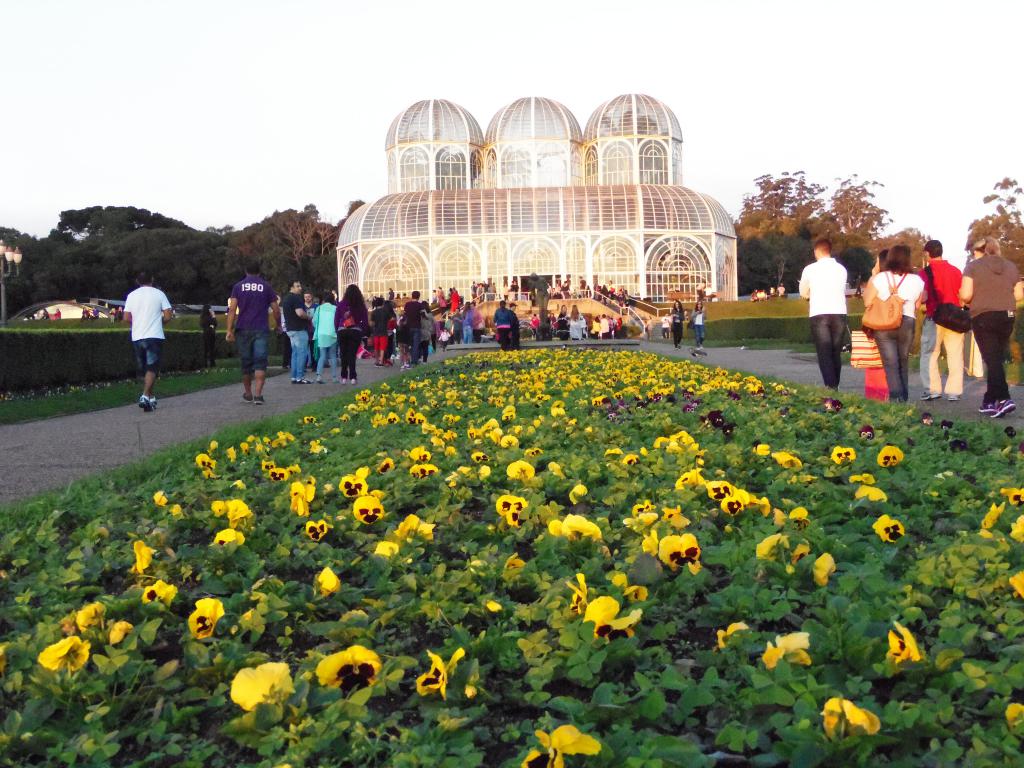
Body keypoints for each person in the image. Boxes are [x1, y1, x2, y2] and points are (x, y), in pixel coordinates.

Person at [961, 235, 1022, 417]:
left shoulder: (973, 267)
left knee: (992, 359)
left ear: (981, 251)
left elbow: (966, 294)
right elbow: (1019, 295)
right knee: (995, 358)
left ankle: (1004, 399)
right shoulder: (1011, 266)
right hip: (1007, 315)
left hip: (984, 315)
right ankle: (988, 400)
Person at [867, 244, 925, 403]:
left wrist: (874, 276)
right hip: (907, 321)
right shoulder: (917, 280)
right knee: (903, 361)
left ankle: (896, 398)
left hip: (884, 323)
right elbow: (917, 305)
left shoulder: (880, 278)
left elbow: (867, 301)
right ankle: (904, 399)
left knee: (890, 362)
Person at [226, 262, 280, 404]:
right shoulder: (266, 287)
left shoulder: (238, 287)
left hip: (242, 328)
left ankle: (248, 393)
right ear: (259, 272)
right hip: (261, 328)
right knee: (260, 362)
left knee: (246, 362)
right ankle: (258, 395)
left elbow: (232, 310)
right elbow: (276, 309)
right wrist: (279, 325)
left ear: (246, 271)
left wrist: (229, 330)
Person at [918, 240, 964, 402]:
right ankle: (954, 391)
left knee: (930, 354)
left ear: (927, 253)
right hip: (954, 317)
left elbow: (924, 297)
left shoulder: (924, 273)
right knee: (955, 354)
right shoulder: (955, 271)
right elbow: (963, 295)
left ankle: (933, 389)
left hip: (934, 317)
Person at [799, 237, 848, 389]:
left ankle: (831, 387)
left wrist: (809, 295)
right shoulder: (841, 269)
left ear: (816, 251)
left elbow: (803, 292)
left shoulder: (810, 269)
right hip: (839, 312)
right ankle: (835, 384)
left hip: (819, 311)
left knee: (824, 352)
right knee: (835, 352)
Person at [123, 272, 172, 412]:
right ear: (152, 279)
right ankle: (145, 395)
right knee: (152, 367)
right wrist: (159, 322)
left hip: (137, 335)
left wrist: (138, 322)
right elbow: (168, 315)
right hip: (154, 335)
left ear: (137, 281)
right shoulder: (159, 294)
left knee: (146, 369)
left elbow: (126, 317)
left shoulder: (131, 295)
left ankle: (151, 398)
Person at [336, 284, 368, 384]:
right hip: (355, 331)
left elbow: (336, 318)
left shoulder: (341, 304)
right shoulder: (360, 305)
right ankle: (353, 377)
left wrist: (337, 329)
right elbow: (365, 321)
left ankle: (343, 377)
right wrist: (362, 331)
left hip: (342, 331)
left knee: (343, 354)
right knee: (352, 354)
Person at [281, 280, 311, 384]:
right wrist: (308, 317)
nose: (300, 288)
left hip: (290, 329)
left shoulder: (286, 299)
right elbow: (300, 313)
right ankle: (300, 377)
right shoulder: (296, 298)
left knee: (294, 354)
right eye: (297, 286)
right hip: (299, 329)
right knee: (302, 354)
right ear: (292, 287)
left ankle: (293, 377)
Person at [311, 292, 339, 383]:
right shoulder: (335, 308)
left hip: (321, 334)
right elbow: (338, 321)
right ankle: (334, 377)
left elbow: (314, 321)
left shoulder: (319, 308)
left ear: (324, 299)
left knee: (322, 356)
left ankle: (319, 376)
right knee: (333, 355)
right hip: (332, 334)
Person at [369, 296, 393, 366]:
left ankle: (376, 361)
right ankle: (381, 361)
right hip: (384, 331)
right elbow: (391, 319)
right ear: (382, 303)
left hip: (376, 331)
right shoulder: (385, 311)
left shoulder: (373, 312)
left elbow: (371, 323)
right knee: (382, 347)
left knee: (376, 347)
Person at [404, 290, 426, 365]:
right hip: (417, 326)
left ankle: (408, 359)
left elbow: (405, 315)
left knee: (410, 344)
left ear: (412, 296)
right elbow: (423, 315)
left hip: (408, 327)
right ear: (418, 297)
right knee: (416, 345)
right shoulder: (420, 305)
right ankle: (414, 361)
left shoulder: (407, 304)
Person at [303, 291, 318, 370]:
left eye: (308, 296)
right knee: (304, 349)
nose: (307, 298)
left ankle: (314, 366)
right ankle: (303, 366)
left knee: (313, 349)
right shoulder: (301, 307)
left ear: (311, 297)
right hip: (304, 330)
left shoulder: (316, 306)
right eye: (305, 297)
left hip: (314, 330)